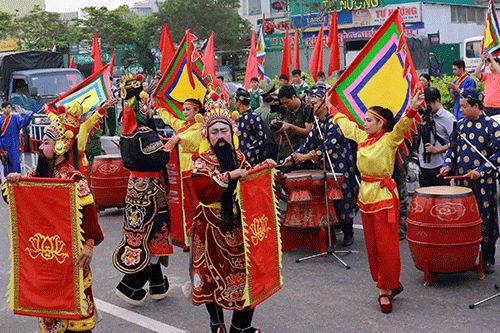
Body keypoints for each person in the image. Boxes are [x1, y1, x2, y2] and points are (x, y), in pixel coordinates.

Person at [6, 103, 105, 333]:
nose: (41, 147)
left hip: (72, 257)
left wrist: (89, 245)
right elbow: (16, 200)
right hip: (47, 256)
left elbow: (90, 217)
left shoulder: (74, 179)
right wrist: (14, 181)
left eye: (46, 143)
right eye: (42, 142)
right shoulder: (37, 175)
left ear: (60, 147)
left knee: (77, 325)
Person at [328, 90, 425, 313]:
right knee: (372, 247)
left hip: (383, 199)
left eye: (369, 120)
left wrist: (413, 107)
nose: (365, 123)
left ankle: (385, 290)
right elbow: (347, 125)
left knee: (387, 248)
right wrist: (331, 108)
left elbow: (402, 126)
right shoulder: (363, 137)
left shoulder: (390, 140)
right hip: (365, 197)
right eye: (365, 120)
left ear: (381, 123)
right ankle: (387, 284)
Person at [190, 91, 277, 333]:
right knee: (211, 279)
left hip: (240, 228)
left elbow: (250, 181)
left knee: (247, 278)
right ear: (207, 135)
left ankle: (240, 327)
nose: (220, 137)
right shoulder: (202, 161)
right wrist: (228, 176)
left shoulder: (239, 157)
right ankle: (216, 324)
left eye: (224, 131)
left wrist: (263, 168)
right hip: (210, 230)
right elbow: (202, 190)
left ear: (232, 132)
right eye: (215, 132)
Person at [112, 74, 172, 306]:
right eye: (146, 105)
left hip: (134, 190)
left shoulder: (127, 132)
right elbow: (159, 158)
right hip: (151, 191)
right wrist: (171, 143)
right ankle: (130, 286)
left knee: (140, 233)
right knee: (155, 233)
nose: (150, 110)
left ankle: (158, 285)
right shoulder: (144, 133)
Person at [284, 87, 358, 246]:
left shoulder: (335, 122)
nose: (311, 105)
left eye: (315, 102)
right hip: (324, 166)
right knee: (328, 198)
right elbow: (307, 144)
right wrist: (292, 157)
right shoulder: (317, 123)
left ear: (324, 104)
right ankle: (332, 228)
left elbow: (327, 146)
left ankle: (348, 232)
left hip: (340, 166)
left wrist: (306, 157)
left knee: (343, 197)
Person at [439, 88, 500, 274]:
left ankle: (488, 258)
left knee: (485, 220)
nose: (462, 110)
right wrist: (447, 164)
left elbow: (498, 154)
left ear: (476, 105)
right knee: (463, 221)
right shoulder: (461, 126)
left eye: (465, 107)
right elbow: (452, 150)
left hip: (483, 185)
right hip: (462, 186)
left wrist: (480, 171)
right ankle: (465, 257)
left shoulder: (492, 127)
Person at [157, 98, 204, 248]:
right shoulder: (182, 125)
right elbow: (169, 119)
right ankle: (188, 236)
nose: (184, 112)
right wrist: (157, 106)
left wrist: (174, 139)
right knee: (186, 206)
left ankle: (201, 235)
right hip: (181, 171)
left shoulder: (199, 127)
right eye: (183, 110)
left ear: (197, 111)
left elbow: (184, 139)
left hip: (194, 169)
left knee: (197, 204)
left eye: (188, 110)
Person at [418, 87, 456, 187]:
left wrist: (438, 149)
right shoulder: (422, 115)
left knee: (440, 199)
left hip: (440, 165)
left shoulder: (448, 118)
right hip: (423, 164)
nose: (426, 107)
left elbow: (456, 142)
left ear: (437, 101)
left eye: (428, 104)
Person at [271, 85, 314, 170]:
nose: (285, 105)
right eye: (283, 103)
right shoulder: (284, 110)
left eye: (287, 102)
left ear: (294, 97)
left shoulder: (306, 109)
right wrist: (277, 125)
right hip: (284, 155)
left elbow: (309, 133)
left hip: (301, 158)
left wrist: (290, 127)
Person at [234, 88, 267, 166]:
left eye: (235, 100)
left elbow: (262, 138)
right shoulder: (237, 118)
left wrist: (247, 153)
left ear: (239, 102)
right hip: (239, 161)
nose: (234, 102)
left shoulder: (255, 117)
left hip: (253, 162)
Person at [0, 101, 33, 175]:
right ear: (2, 109)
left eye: (9, 107)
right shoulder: (0, 121)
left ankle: (17, 182)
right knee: (5, 165)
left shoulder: (15, 118)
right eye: (5, 108)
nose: (7, 109)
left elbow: (24, 122)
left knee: (16, 163)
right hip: (4, 146)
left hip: (14, 145)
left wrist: (29, 115)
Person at [254, 83, 279, 161]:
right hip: (271, 147)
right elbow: (276, 134)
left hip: (257, 147)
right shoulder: (273, 113)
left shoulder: (255, 112)